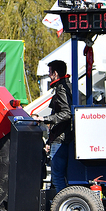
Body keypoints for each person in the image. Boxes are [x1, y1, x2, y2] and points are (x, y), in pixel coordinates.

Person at [32, 60, 73, 193]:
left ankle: (62, 206)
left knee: (57, 178)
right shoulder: (67, 86)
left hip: (60, 141)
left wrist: (44, 119)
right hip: (61, 139)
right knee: (61, 177)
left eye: (50, 73)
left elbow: (66, 114)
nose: (49, 76)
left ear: (55, 73)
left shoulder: (62, 88)